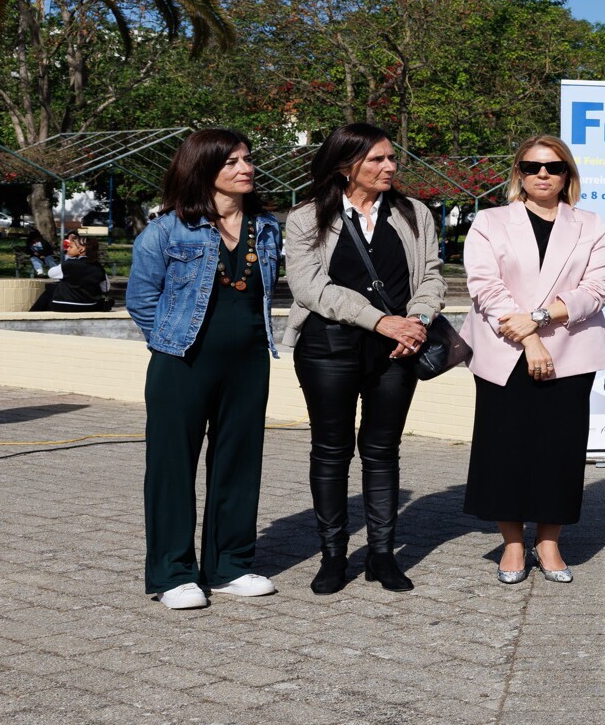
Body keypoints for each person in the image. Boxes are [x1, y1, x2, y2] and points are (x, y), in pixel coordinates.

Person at [283, 123, 447, 595]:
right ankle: (333, 556)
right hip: (328, 347)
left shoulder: (414, 213)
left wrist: (416, 320)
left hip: (398, 348)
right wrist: (380, 321)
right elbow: (310, 287)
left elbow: (431, 275)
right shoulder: (307, 217)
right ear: (344, 165)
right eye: (376, 159)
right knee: (331, 451)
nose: (389, 166)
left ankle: (381, 555)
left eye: (391, 158)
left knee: (382, 451)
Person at [126, 129, 282, 609]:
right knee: (172, 467)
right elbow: (141, 299)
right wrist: (171, 343)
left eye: (247, 159)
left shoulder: (266, 227)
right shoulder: (167, 230)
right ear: (202, 168)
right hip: (182, 362)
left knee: (239, 463)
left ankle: (230, 565)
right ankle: (173, 573)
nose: (245, 168)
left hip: (249, 361)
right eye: (231, 162)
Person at [462, 136, 605, 585]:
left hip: (571, 351)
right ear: (519, 173)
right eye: (531, 167)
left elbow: (596, 288)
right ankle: (512, 544)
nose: (542, 174)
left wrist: (539, 319)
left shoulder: (590, 224)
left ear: (568, 174)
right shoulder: (489, 221)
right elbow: (484, 286)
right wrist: (529, 338)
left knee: (559, 450)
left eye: (553, 167)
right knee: (503, 448)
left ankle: (549, 543)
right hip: (504, 348)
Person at [31, 234, 112, 311]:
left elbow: (51, 273)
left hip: (63, 305)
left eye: (71, 247)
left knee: (51, 288)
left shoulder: (69, 264)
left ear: (81, 249)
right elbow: (106, 288)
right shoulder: (98, 267)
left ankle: (33, 313)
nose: (67, 249)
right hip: (90, 305)